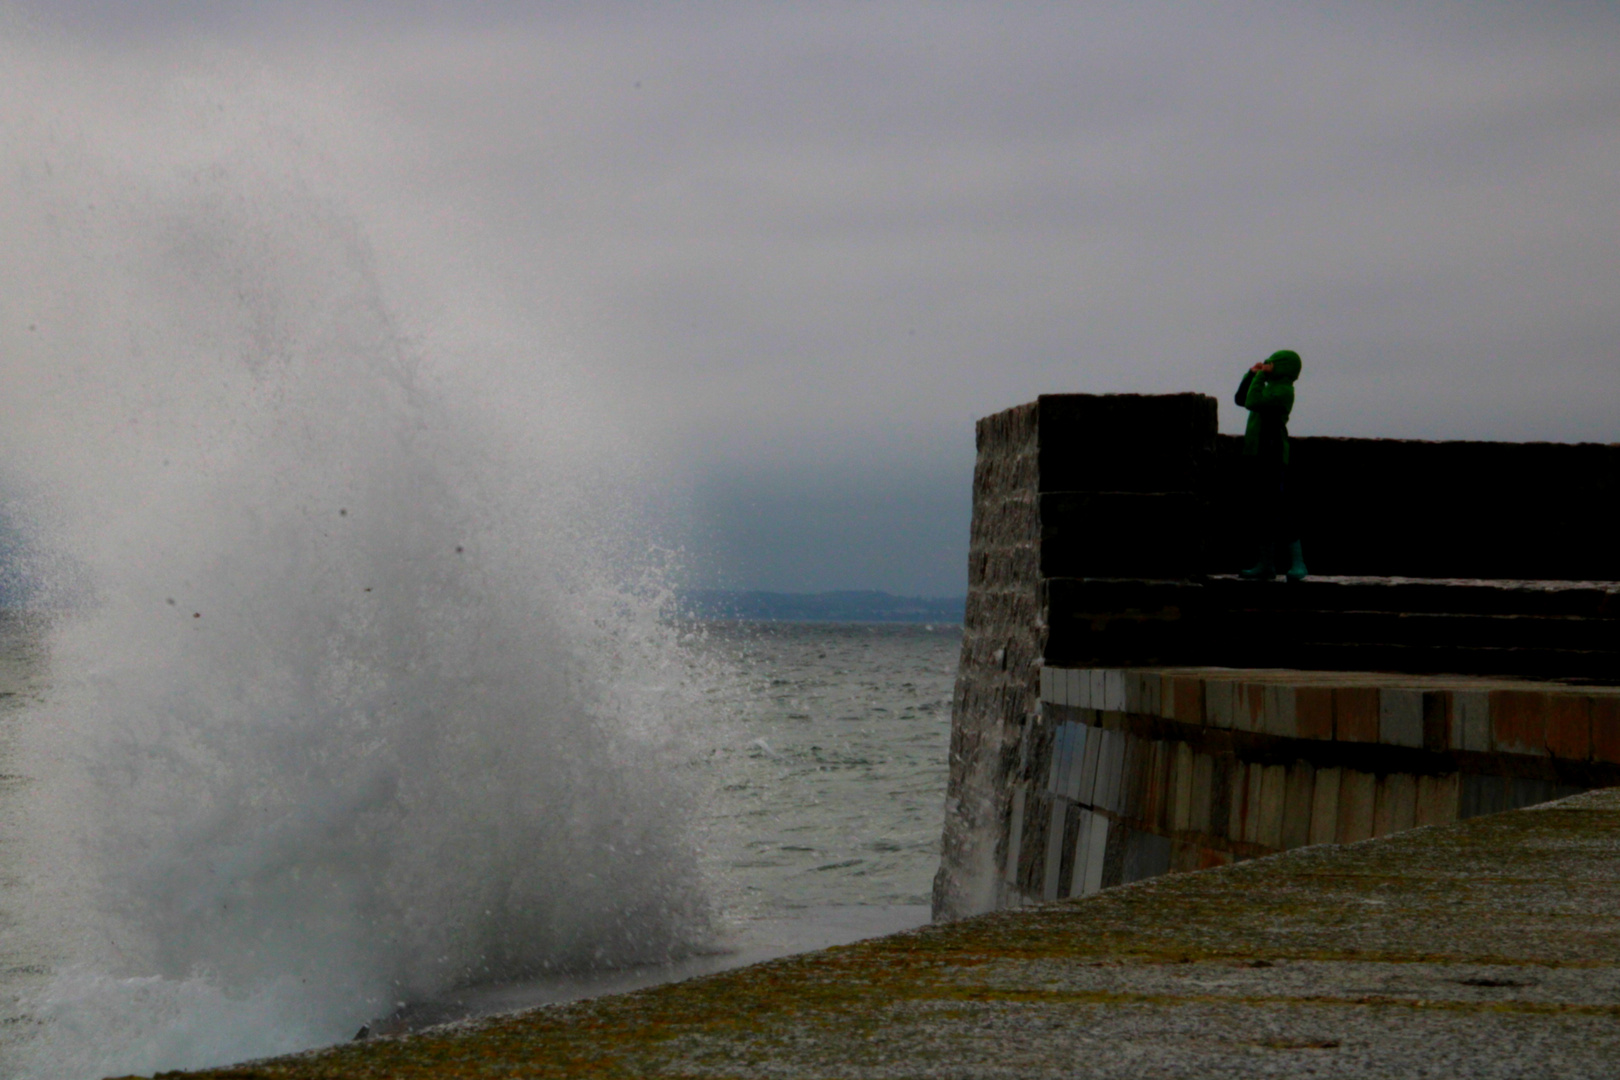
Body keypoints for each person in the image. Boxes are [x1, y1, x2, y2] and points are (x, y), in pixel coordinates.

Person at [1234, 349, 1307, 581]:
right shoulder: (1267, 386)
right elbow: (1241, 399)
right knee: (1261, 509)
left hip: (1272, 453)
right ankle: (1266, 564)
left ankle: (1298, 563)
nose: (1268, 365)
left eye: (1272, 363)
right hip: (1256, 452)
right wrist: (1250, 374)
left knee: (1279, 508)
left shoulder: (1284, 391)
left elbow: (1252, 402)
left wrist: (1260, 378)